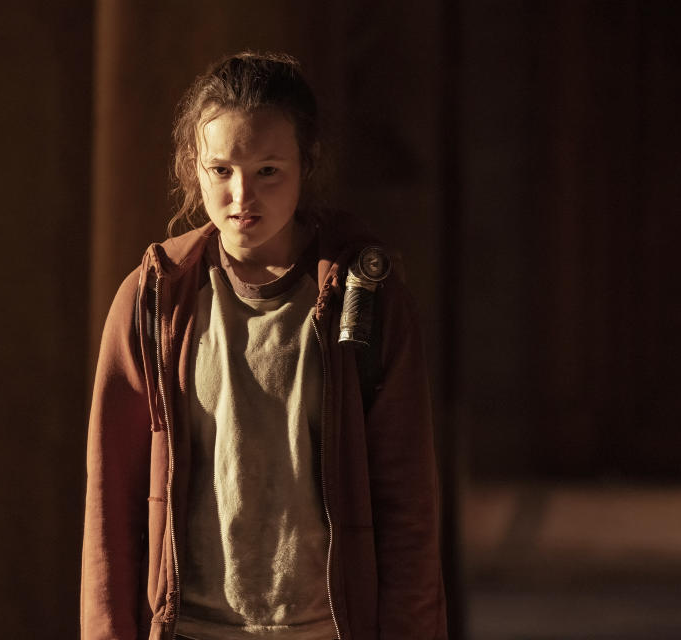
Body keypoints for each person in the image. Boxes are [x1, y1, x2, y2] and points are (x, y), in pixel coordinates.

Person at [82, 52, 447, 640]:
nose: (241, 195)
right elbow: (111, 504)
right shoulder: (155, 299)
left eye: (268, 170)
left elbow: (407, 509)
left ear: (308, 164)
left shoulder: (366, 300)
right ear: (193, 169)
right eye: (221, 170)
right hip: (191, 628)